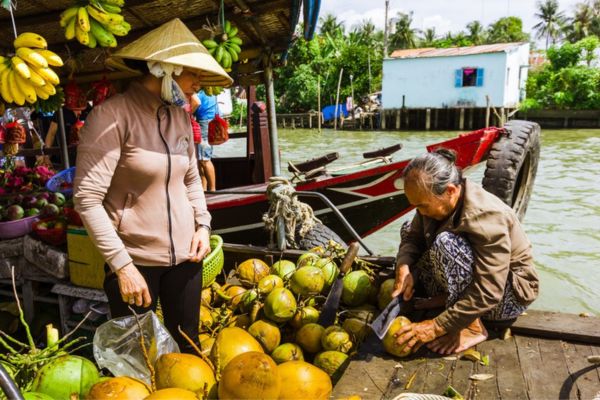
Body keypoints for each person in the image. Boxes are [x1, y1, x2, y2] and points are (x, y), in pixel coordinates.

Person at [73, 18, 232, 352]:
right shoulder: (111, 116)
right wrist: (122, 266)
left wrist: (203, 225)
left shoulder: (181, 117)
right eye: (192, 73)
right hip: (135, 261)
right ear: (164, 69)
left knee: (187, 344)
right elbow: (87, 199)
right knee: (137, 356)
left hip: (187, 258)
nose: (198, 83)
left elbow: (190, 178)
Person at [391, 148, 539, 355]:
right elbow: (414, 237)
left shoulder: (486, 214)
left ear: (450, 190)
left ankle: (472, 326)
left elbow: (490, 290)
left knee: (446, 243)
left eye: (422, 206)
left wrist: (437, 326)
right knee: (408, 227)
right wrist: (403, 267)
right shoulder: (433, 201)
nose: (420, 211)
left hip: (506, 296)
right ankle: (449, 300)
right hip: (474, 284)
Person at [191, 90, 218, 191]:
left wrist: (187, 113)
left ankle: (212, 190)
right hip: (208, 121)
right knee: (201, 159)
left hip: (204, 122)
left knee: (204, 159)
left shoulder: (199, 90)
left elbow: (196, 102)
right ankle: (204, 188)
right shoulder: (209, 90)